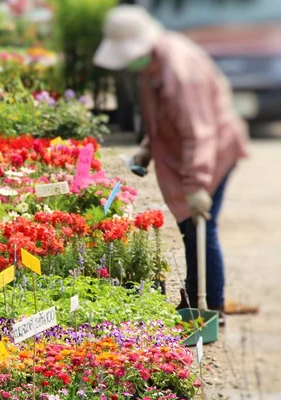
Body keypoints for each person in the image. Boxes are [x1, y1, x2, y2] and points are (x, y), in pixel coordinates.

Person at [93, 5, 255, 325]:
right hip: (189, 150)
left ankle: (212, 307)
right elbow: (162, 118)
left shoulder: (179, 71)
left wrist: (196, 186)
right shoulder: (153, 64)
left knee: (200, 227)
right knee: (191, 229)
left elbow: (200, 133)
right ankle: (196, 298)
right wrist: (147, 149)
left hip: (212, 151)